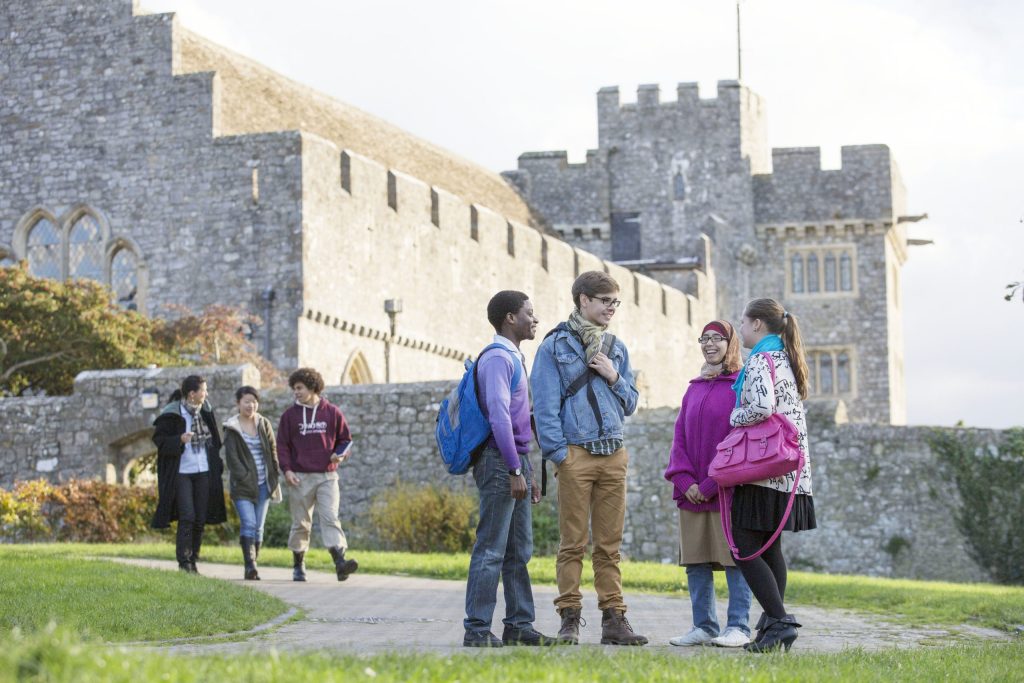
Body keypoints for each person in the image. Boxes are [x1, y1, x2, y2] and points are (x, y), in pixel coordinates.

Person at [531, 270, 648, 646]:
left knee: (610, 546)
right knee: (573, 543)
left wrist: (614, 376)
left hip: (614, 454)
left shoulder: (616, 347)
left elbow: (631, 403)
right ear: (584, 300)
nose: (612, 308)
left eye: (616, 302)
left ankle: (614, 620)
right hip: (576, 455)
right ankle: (569, 618)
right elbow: (544, 407)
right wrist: (560, 456)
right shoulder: (554, 347)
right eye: (605, 301)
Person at [463, 291, 556, 648]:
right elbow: (499, 416)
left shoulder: (514, 357)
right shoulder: (498, 358)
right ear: (510, 318)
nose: (535, 319)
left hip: (514, 460)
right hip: (498, 461)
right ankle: (476, 629)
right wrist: (515, 470)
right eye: (529, 313)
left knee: (519, 550)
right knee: (491, 548)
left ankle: (519, 625)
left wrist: (527, 471)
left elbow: (518, 422)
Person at [730, 298, 816, 653]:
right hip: (791, 470)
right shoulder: (786, 358)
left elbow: (762, 407)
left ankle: (779, 621)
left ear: (757, 324)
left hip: (763, 469)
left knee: (743, 547)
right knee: (770, 548)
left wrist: (735, 417)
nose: (740, 329)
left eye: (743, 322)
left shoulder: (759, 360)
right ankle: (770, 628)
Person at [664, 321, 752, 648]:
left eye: (718, 338)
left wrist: (712, 483)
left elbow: (740, 439)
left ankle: (739, 626)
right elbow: (680, 437)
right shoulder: (694, 389)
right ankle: (703, 626)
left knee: (734, 559)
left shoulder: (740, 386)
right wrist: (684, 479)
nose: (710, 344)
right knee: (695, 560)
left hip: (725, 490)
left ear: (731, 344)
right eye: (705, 338)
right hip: (691, 491)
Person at [277, 367, 359, 582]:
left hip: (327, 476)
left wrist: (340, 455)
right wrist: (287, 470)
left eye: (300, 388)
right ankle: (298, 565)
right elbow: (282, 446)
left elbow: (345, 440)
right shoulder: (289, 416)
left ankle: (340, 563)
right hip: (299, 477)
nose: (296, 392)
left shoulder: (332, 412)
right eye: (294, 388)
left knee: (330, 518)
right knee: (301, 523)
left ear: (313, 387)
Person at [151, 375, 227, 573]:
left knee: (200, 517)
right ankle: (184, 562)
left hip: (204, 471)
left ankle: (193, 560)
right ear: (192, 394)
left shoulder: (206, 411)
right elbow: (159, 440)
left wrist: (216, 465)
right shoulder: (172, 413)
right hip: (182, 473)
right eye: (203, 390)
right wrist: (179, 440)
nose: (206, 394)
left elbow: (215, 442)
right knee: (187, 516)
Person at [223, 385, 282, 580]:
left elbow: (273, 449)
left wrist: (274, 473)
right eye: (247, 401)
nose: (251, 405)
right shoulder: (232, 427)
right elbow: (232, 458)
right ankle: (250, 566)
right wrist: (245, 477)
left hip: (264, 484)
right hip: (242, 485)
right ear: (238, 403)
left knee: (258, 527)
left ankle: (253, 564)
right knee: (248, 523)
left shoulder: (263, 424)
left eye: (254, 402)